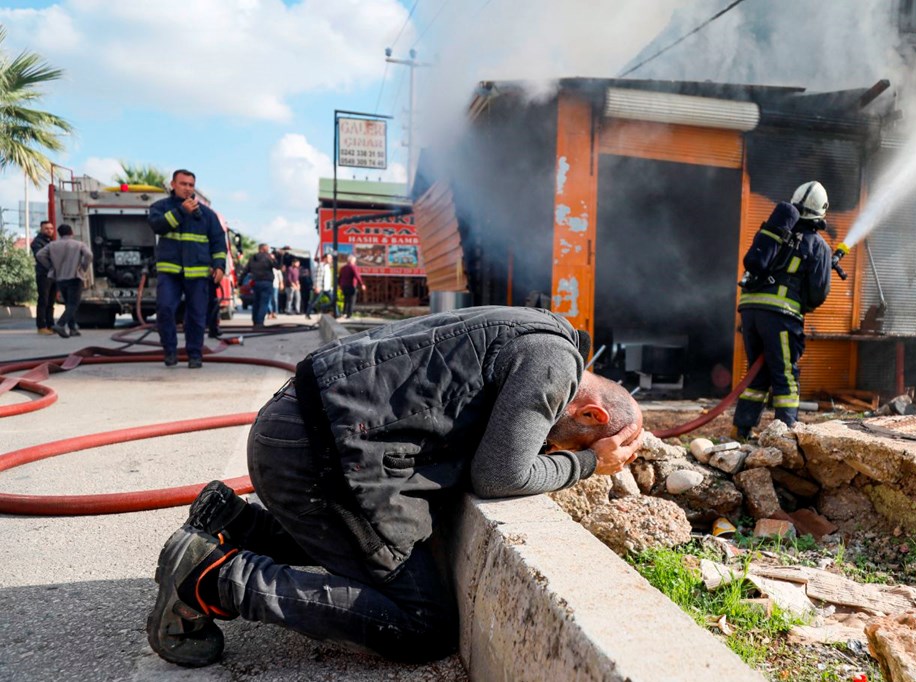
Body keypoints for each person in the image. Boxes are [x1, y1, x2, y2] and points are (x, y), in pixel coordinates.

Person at [146, 306, 644, 667]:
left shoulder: (537, 330)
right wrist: (585, 462)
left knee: (365, 548)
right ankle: (211, 578)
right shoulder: (552, 366)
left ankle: (231, 524)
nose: (548, 451)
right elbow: (502, 476)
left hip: (300, 435)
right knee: (423, 625)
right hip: (315, 460)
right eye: (569, 440)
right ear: (592, 414)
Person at [732, 181, 833, 438]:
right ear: (822, 210)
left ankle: (741, 429)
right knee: (785, 374)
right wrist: (802, 305)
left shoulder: (775, 233)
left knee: (757, 372)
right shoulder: (818, 245)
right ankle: (786, 433)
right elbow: (818, 293)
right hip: (780, 316)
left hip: (750, 309)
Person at [148, 170, 228, 369]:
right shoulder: (160, 207)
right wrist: (182, 211)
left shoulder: (207, 215)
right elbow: (158, 226)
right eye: (183, 184)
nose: (187, 188)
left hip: (198, 274)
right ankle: (170, 352)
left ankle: (195, 355)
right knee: (165, 310)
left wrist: (219, 266)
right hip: (170, 273)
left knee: (196, 315)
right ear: (173, 184)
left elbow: (219, 242)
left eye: (191, 185)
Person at [35, 224, 93, 338]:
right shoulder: (78, 244)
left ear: (59, 233)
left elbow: (39, 254)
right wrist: (83, 267)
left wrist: (51, 267)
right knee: (73, 304)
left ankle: (73, 329)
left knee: (68, 304)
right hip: (75, 277)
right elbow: (89, 255)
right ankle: (60, 324)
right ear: (71, 233)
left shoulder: (52, 245)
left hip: (60, 278)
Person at [31, 220, 57, 335]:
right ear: (41, 229)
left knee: (51, 301)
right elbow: (40, 257)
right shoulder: (37, 242)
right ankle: (41, 326)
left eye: (51, 228)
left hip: (53, 275)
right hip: (43, 275)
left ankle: (51, 325)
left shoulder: (51, 241)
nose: (49, 230)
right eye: (46, 228)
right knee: (43, 300)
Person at [245, 243, 277, 329]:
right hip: (266, 282)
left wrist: (240, 282)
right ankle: (259, 322)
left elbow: (246, 269)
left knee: (256, 302)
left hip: (256, 282)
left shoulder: (253, 258)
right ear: (263, 249)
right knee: (264, 303)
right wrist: (276, 258)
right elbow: (277, 266)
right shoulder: (268, 257)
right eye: (267, 249)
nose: (268, 250)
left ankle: (255, 321)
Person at [306, 253, 332, 319]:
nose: (331, 260)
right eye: (329, 258)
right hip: (320, 287)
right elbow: (317, 277)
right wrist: (317, 286)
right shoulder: (321, 265)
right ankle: (308, 314)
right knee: (314, 301)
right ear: (325, 258)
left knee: (333, 299)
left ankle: (337, 314)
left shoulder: (327, 266)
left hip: (327, 287)